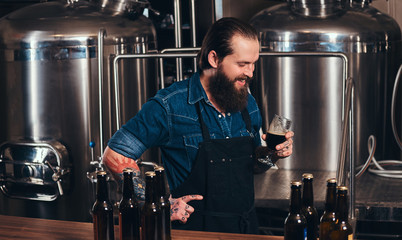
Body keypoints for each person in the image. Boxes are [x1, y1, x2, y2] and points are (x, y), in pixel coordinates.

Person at [103, 17, 294, 234]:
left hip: (246, 228)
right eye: (242, 64)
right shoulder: (170, 105)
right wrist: (158, 203)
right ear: (214, 58)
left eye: (253, 64)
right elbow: (115, 154)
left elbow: (255, 166)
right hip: (194, 232)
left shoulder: (246, 102)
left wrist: (272, 153)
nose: (250, 73)